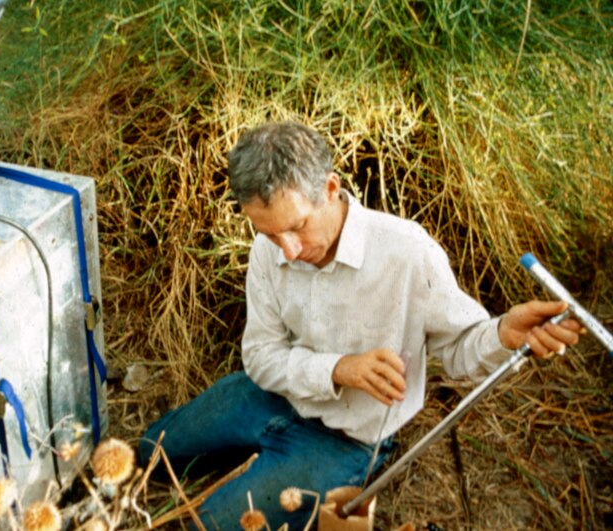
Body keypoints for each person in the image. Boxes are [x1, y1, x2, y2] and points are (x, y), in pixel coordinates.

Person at [139, 122, 581, 530]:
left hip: (347, 440)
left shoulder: (408, 252)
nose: (287, 250)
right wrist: (339, 369)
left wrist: (504, 334)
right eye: (271, 234)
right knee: (150, 450)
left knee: (209, 525)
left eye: (297, 228)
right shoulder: (267, 248)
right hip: (269, 398)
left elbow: (462, 347)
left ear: (330, 188)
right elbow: (260, 356)